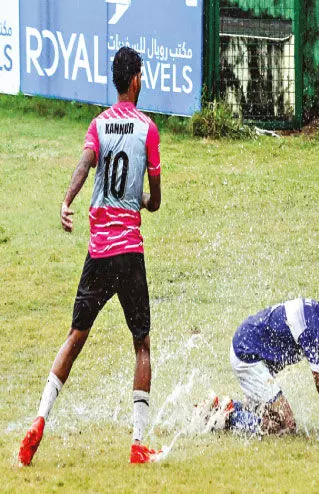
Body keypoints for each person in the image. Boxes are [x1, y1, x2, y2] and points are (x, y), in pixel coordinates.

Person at [18, 47, 163, 466]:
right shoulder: (148, 130)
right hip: (129, 254)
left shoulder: (98, 125)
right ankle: (138, 444)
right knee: (142, 345)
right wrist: (144, 203)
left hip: (98, 252)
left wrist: (67, 200)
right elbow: (154, 200)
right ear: (134, 79)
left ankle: (39, 420)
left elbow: (84, 164)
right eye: (142, 75)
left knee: (75, 338)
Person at [198, 275, 319, 438]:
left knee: (267, 414)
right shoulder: (312, 332)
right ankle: (229, 418)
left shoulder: (315, 315)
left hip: (249, 347)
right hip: (247, 356)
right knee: (286, 425)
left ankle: (223, 406)